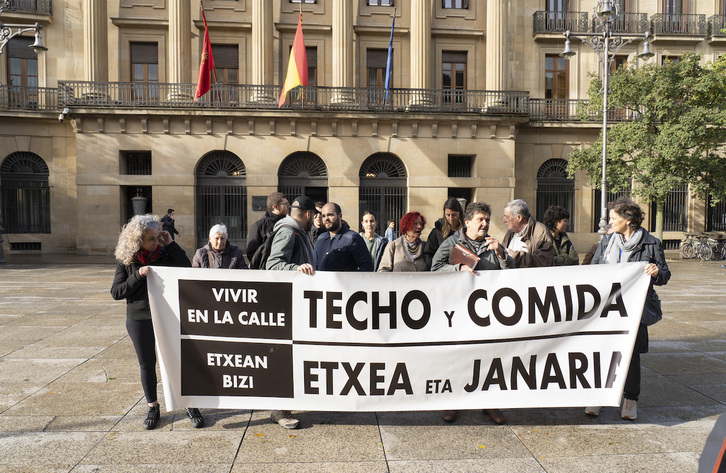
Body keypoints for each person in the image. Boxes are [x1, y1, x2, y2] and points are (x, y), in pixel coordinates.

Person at [110, 214, 203, 430]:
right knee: (147, 364)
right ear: (137, 240)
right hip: (139, 318)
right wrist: (138, 276)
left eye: (156, 237)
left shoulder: (164, 254)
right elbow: (116, 292)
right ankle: (153, 406)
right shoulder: (127, 261)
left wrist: (170, 244)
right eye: (150, 239)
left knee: (178, 361)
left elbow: (186, 269)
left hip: (168, 317)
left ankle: (189, 403)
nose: (155, 242)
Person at [585, 197, 670, 420]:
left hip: (634, 308)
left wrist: (655, 273)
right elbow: (594, 270)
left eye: (614, 218)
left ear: (628, 220)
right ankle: (598, 396)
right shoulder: (607, 242)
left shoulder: (651, 243)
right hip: (608, 307)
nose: (609, 222)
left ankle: (630, 400)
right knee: (602, 351)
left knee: (630, 354)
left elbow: (664, 275)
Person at [432, 202, 514, 425]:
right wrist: (458, 269)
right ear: (467, 222)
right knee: (458, 356)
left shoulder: (493, 245)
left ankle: (489, 404)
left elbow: (513, 275)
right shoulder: (451, 243)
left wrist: (503, 255)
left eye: (487, 220)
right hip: (458, 312)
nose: (485, 224)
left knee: (489, 357)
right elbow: (435, 268)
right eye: (480, 220)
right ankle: (452, 402)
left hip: (487, 313)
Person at [265, 196, 318, 429]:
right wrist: (296, 268)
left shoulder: (298, 232)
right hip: (288, 304)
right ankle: (279, 410)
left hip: (296, 303)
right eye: (314, 216)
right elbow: (273, 264)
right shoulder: (289, 232)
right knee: (286, 356)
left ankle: (283, 406)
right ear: (308, 214)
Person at [314, 202, 374, 272]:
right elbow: (314, 264)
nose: (326, 218)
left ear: (340, 216)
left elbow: (366, 266)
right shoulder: (320, 239)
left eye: (330, 215)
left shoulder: (352, 238)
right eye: (323, 216)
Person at [501, 199, 554, 268]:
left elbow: (544, 262)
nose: (504, 220)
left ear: (519, 218)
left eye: (507, 217)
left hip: (530, 278)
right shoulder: (510, 232)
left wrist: (515, 256)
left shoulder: (540, 232)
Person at [246, 192, 290, 262]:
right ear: (275, 207)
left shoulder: (290, 224)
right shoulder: (259, 225)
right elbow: (252, 253)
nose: (289, 206)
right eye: (286, 204)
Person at [424, 197, 465, 267]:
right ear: (444, 214)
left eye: (454, 215)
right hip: (442, 271)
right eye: (448, 215)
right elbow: (428, 254)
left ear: (460, 213)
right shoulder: (436, 232)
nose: (451, 218)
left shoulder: (467, 230)